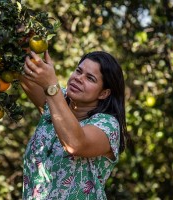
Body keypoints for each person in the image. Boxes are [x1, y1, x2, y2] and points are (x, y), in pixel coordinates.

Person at [20, 50, 130, 199]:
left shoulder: (108, 125)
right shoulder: (57, 101)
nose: (79, 78)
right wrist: (24, 42)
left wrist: (51, 86)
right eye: (78, 71)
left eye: (90, 78)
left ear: (103, 93)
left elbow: (75, 144)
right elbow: (20, 70)